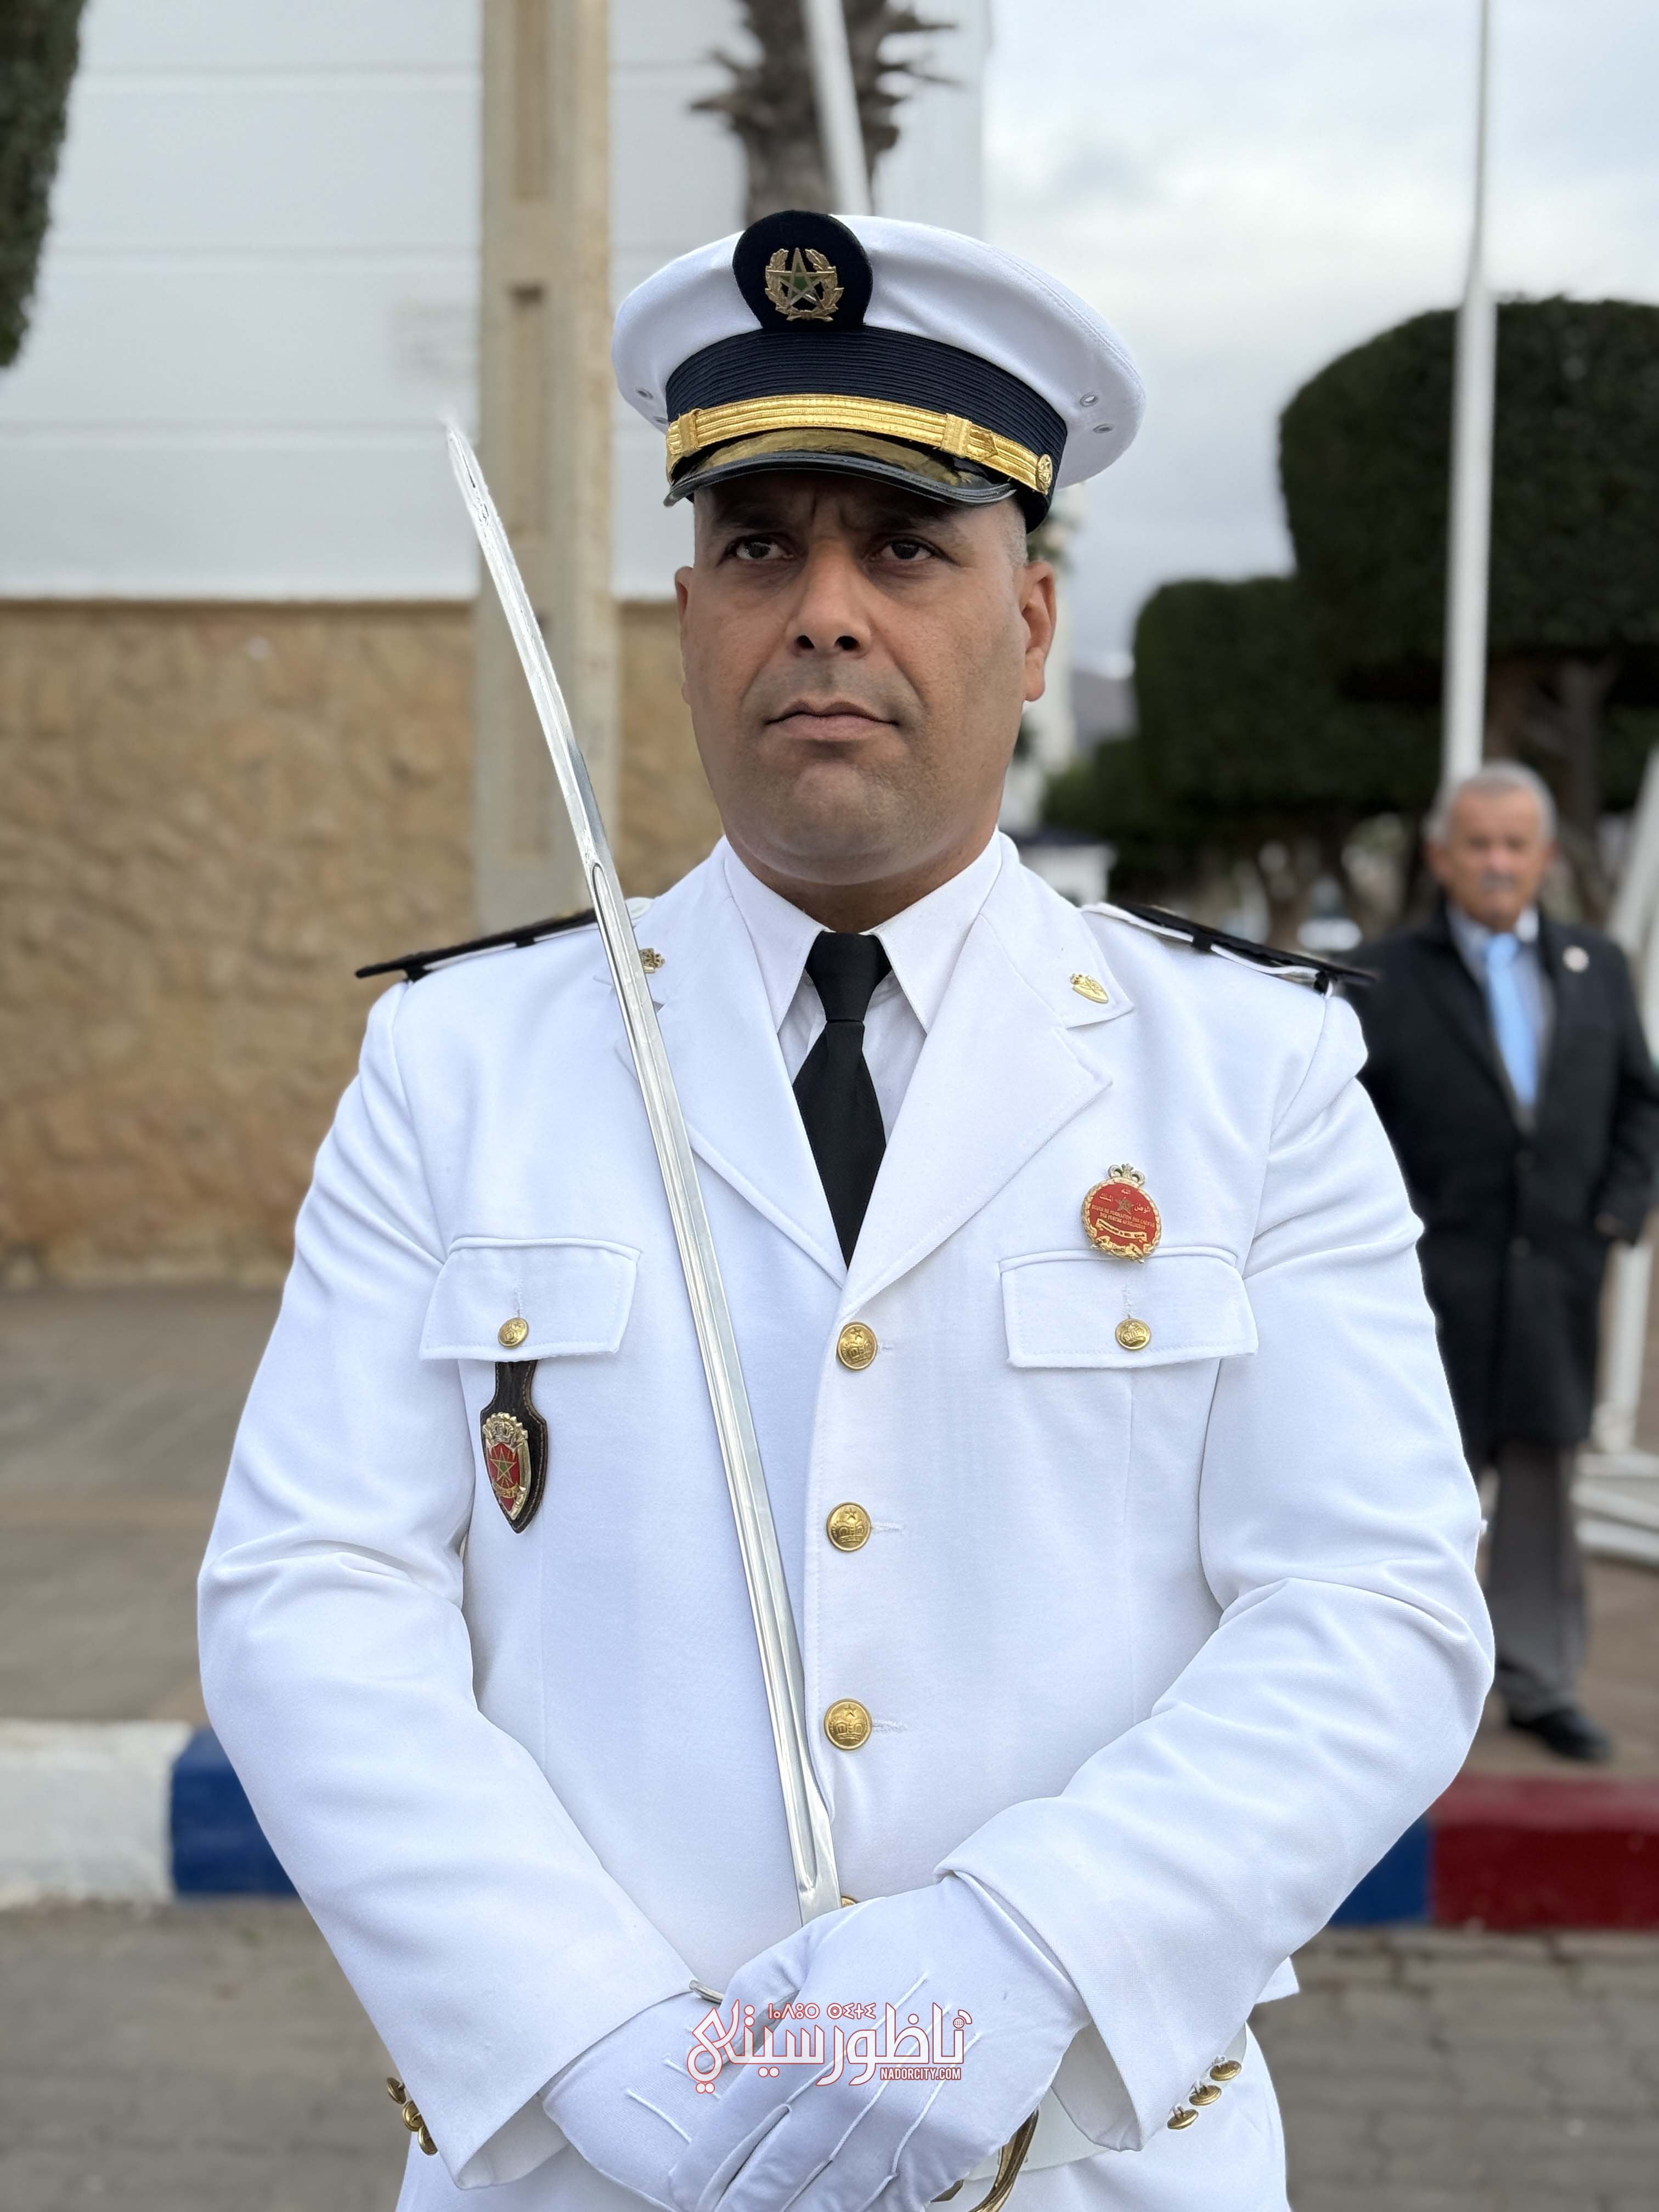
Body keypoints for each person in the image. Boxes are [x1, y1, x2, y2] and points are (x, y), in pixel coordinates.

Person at [199, 211, 1490, 2212]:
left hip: (1073, 2168)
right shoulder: (461, 1069)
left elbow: (1374, 1605)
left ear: (1033, 626)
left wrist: (1022, 1954)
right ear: (688, 618)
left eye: (901, 547)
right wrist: (591, 2044)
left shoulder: (1252, 1075)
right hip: (597, 2172)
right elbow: (310, 1593)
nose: (821, 613)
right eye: (754, 549)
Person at [1351, 761, 1659, 1763]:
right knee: (1407, 1497)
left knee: (1539, 1490)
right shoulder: (1382, 976)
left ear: (1545, 858)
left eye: (1514, 845)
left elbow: (1640, 1103)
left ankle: (1539, 1682)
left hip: (1556, 1287)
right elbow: (1342, 1122)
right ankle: (1396, 1693)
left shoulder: (1597, 965)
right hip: (1423, 1291)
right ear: (1440, 856)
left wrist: (1615, 1215)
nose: (1496, 862)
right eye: (1477, 843)